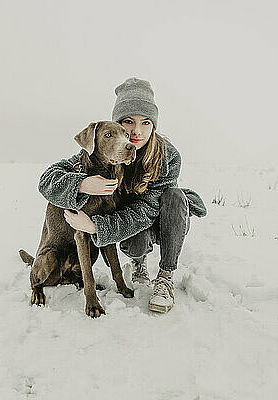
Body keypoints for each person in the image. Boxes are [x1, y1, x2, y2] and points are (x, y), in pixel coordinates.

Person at [38, 77, 207, 313]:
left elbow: (144, 212)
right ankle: (138, 262)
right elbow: (47, 180)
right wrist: (82, 183)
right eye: (128, 122)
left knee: (175, 197)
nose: (137, 132)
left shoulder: (168, 157)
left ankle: (165, 277)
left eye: (146, 122)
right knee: (136, 243)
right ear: (116, 125)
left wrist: (96, 226)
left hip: (156, 219)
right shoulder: (103, 154)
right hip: (129, 230)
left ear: (153, 125)